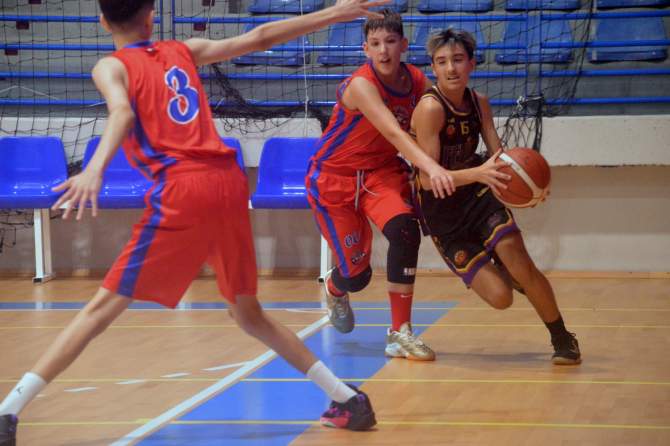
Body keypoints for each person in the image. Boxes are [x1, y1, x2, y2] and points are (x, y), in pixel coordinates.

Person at [0, 1, 388, 444]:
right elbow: (260, 37)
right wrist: (334, 13)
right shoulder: (183, 50)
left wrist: (93, 170)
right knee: (248, 313)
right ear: (151, 14)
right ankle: (347, 399)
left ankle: (8, 410)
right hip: (228, 182)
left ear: (103, 21)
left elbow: (122, 114)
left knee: (100, 309)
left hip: (184, 189)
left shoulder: (111, 66)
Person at [409, 28, 581, 365]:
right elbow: (428, 181)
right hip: (443, 213)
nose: (451, 68)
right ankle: (506, 270)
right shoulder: (430, 108)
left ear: (472, 63)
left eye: (458, 60)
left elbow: (498, 157)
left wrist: (529, 186)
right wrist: (478, 173)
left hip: (477, 196)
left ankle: (562, 338)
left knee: (521, 262)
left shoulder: (479, 102)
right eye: (442, 62)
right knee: (502, 297)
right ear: (433, 68)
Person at [306, 9, 465, 361]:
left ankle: (400, 333)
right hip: (333, 179)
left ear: (403, 45)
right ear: (365, 49)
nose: (383, 50)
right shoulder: (361, 85)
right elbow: (393, 132)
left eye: (390, 42)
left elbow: (440, 113)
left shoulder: (417, 81)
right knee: (357, 277)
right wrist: (430, 166)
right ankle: (335, 288)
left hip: (380, 173)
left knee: (406, 230)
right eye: (375, 43)